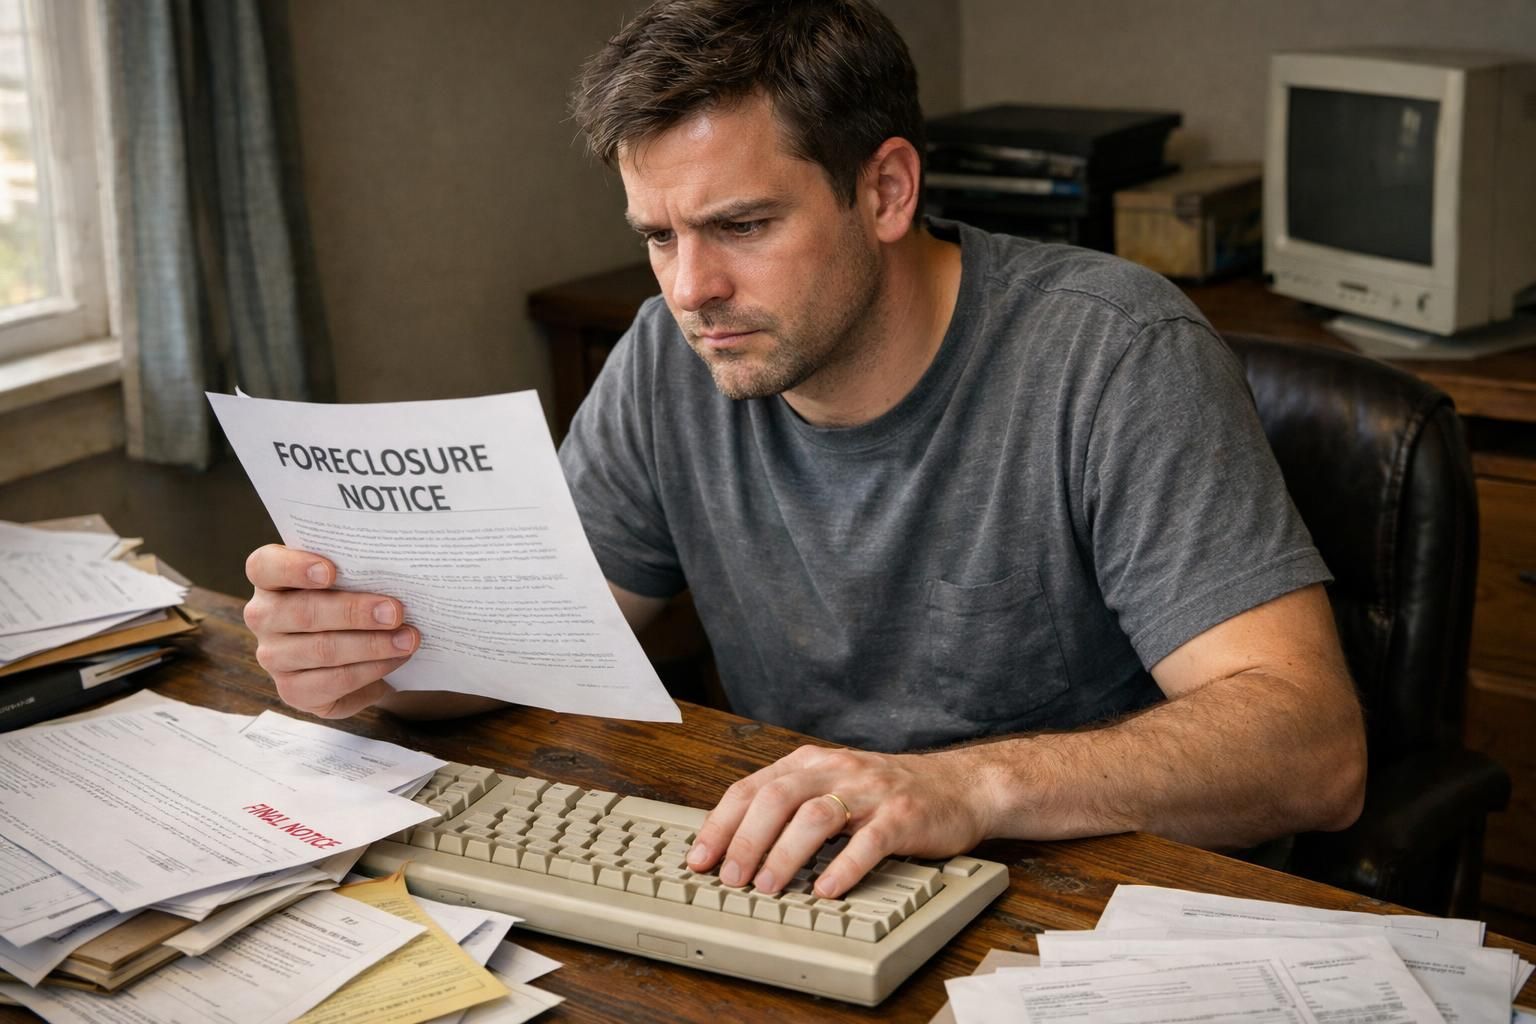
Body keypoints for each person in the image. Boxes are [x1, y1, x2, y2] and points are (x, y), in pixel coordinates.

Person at [243, 0, 1365, 904]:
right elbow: (531, 651)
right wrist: (372, 664)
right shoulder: (665, 358)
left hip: (1096, 906)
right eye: (657, 236)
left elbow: (1312, 749)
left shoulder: (1114, 354)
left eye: (741, 226)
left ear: (885, 190)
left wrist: (964, 785)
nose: (691, 290)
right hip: (817, 886)